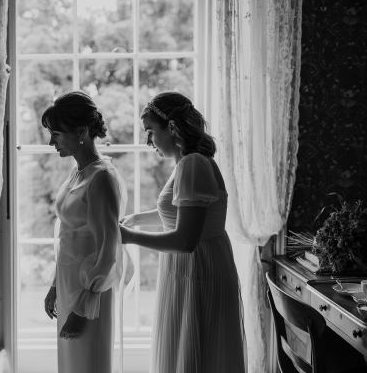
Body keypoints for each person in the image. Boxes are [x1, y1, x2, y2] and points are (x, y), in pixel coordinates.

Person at [119, 92, 246, 373]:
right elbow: (180, 215)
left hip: (195, 268)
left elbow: (186, 239)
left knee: (196, 354)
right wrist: (137, 219)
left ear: (172, 128)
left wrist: (128, 237)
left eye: (151, 132)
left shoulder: (192, 165)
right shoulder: (191, 163)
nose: (148, 142)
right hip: (196, 266)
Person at [42, 91, 127, 373]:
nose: (51, 142)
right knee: (70, 363)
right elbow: (66, 237)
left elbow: (108, 250)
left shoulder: (102, 178)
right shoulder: (78, 172)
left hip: (90, 292)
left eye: (56, 134)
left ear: (81, 132)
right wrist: (55, 285)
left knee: (88, 362)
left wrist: (82, 309)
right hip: (68, 283)